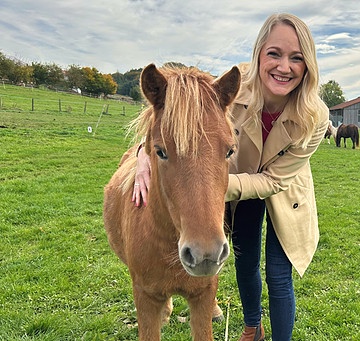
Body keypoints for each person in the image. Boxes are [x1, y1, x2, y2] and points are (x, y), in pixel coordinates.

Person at [132, 13, 329, 341]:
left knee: (279, 275)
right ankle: (253, 326)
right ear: (259, 53)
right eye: (274, 54)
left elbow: (275, 180)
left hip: (281, 188)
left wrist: (214, 185)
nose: (284, 66)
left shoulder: (315, 115)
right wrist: (142, 155)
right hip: (236, 184)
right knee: (246, 260)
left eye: (297, 57)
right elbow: (175, 121)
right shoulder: (231, 85)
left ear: (308, 64)